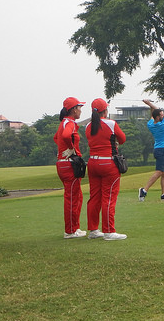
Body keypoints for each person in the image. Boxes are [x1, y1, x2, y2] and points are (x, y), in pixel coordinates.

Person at [85, 98, 128, 241]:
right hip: (108, 163)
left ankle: (93, 230)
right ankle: (109, 231)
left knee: (94, 198)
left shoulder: (88, 126)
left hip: (93, 163)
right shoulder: (111, 123)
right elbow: (122, 139)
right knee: (108, 197)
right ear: (105, 110)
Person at [54, 97, 86, 238]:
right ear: (73, 109)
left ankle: (75, 227)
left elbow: (56, 138)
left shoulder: (64, 122)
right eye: (79, 108)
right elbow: (66, 136)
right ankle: (70, 230)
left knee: (76, 196)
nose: (80, 111)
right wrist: (71, 149)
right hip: (69, 164)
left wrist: (62, 149)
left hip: (64, 162)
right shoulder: (70, 123)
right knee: (72, 198)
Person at [139, 99, 164, 202]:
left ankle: (163, 194)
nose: (163, 115)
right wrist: (149, 103)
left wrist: (149, 105)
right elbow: (156, 110)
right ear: (158, 117)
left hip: (158, 149)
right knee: (160, 172)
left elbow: (153, 114)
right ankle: (144, 190)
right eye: (161, 115)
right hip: (162, 150)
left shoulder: (151, 124)